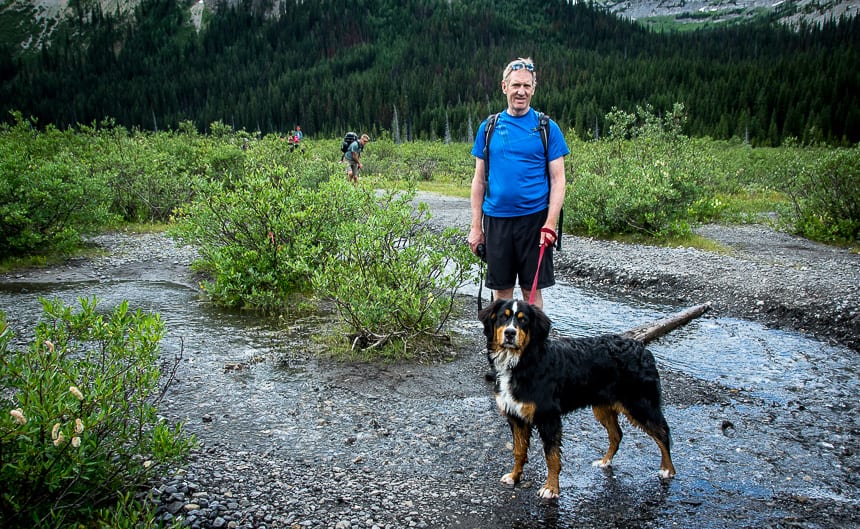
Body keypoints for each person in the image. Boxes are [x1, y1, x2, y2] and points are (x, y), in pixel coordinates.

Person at [468, 57, 570, 310]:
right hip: (496, 220)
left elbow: (559, 180)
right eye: (515, 86)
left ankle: (534, 348)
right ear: (504, 87)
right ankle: (502, 347)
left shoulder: (547, 128)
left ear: (534, 88)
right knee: (501, 292)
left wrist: (550, 224)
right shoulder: (489, 127)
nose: (521, 92)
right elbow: (479, 180)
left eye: (526, 86)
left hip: (534, 221)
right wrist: (475, 227)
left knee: (531, 291)